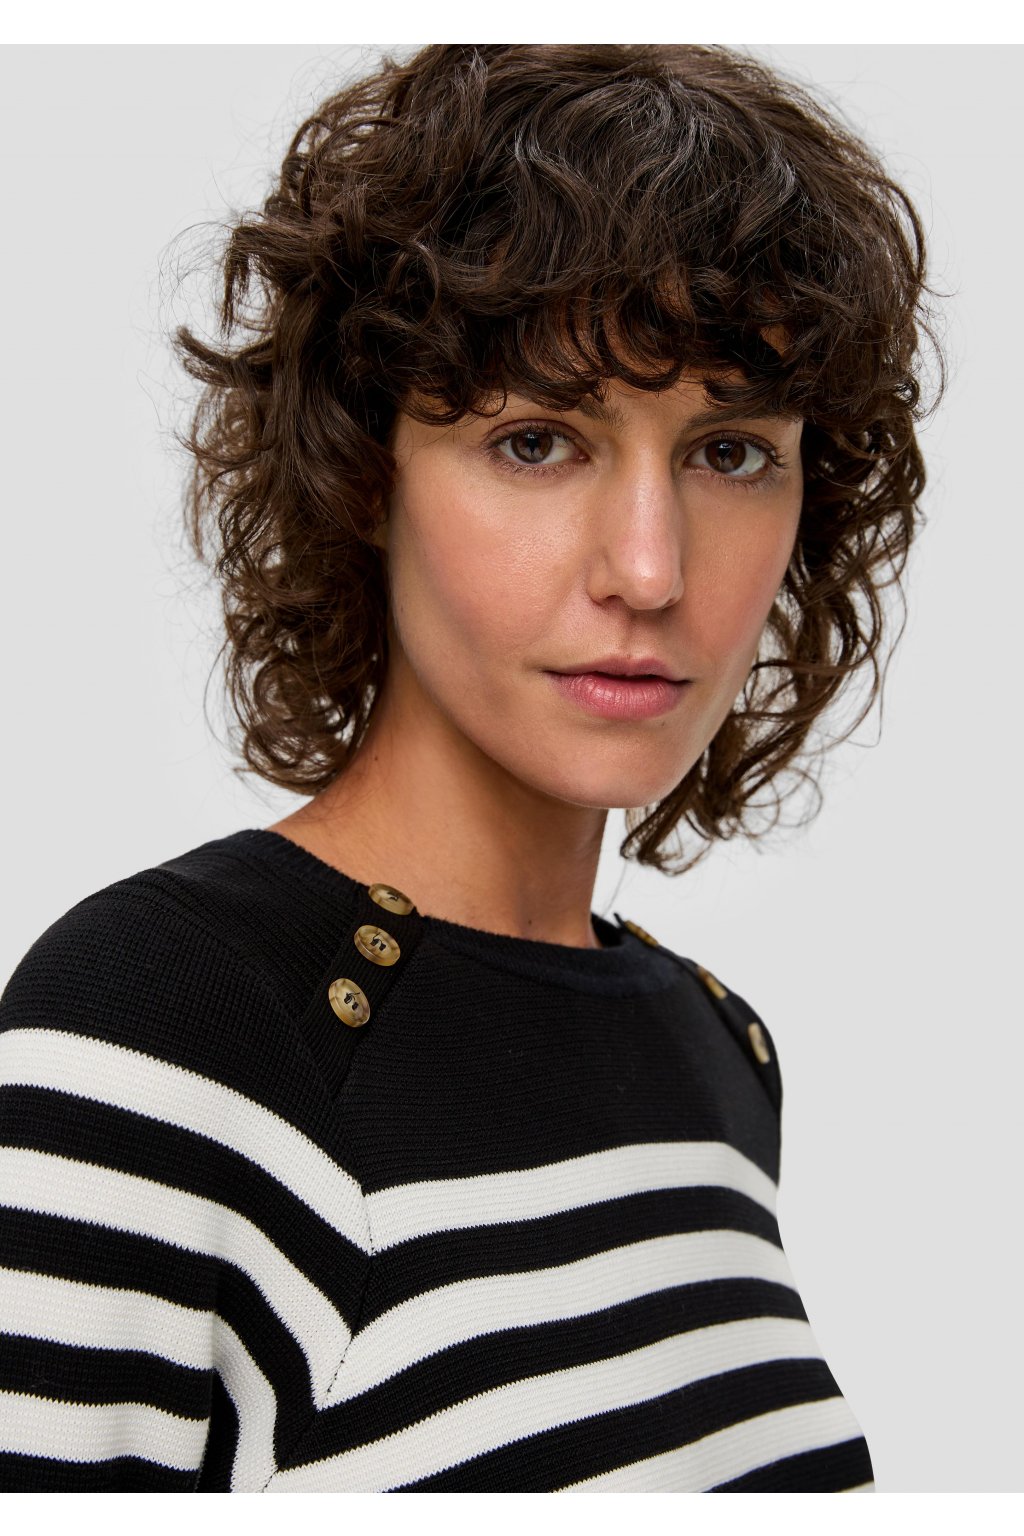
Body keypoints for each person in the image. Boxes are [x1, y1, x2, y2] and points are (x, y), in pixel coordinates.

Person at [0, 43, 940, 1492]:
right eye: (538, 440)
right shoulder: (160, 1032)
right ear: (363, 474)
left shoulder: (718, 1054)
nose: (649, 569)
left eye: (732, 453)